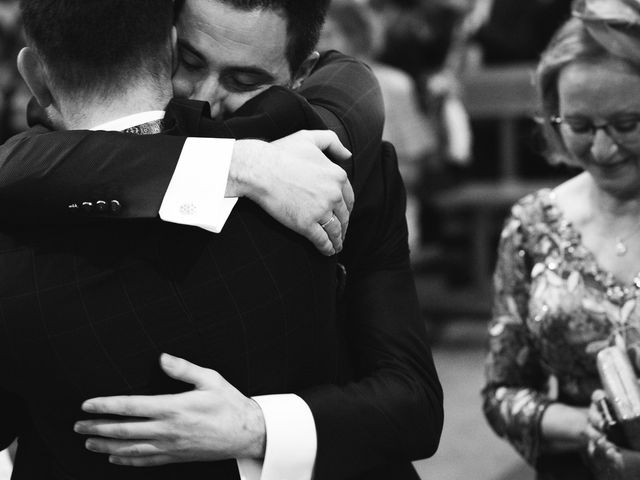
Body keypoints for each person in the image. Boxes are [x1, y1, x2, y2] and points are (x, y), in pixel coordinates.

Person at [1, 0, 443, 479]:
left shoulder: (333, 165)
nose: (205, 98)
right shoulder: (46, 166)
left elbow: (413, 401)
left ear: (300, 76)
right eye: (189, 63)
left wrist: (263, 428)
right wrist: (236, 164)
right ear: (164, 40)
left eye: (246, 81)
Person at [483, 1, 640, 478]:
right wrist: (581, 424)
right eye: (580, 126)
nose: (603, 148)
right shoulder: (534, 223)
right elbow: (503, 391)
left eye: (628, 124)